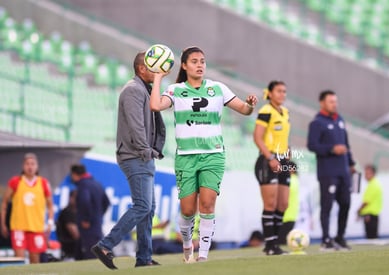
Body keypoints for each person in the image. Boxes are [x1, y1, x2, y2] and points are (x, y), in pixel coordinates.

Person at [150, 46, 257, 262]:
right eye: (195, 61)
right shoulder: (175, 90)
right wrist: (158, 77)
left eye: (202, 61)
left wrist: (250, 105)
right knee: (187, 210)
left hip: (213, 156)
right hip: (186, 157)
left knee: (207, 205)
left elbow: (244, 110)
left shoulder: (218, 88)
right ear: (184, 65)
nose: (200, 65)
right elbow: (155, 105)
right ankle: (188, 247)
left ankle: (203, 256)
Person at [91, 51, 166, 269]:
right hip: (136, 155)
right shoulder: (134, 90)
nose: (157, 70)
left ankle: (143, 258)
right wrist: (146, 150)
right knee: (143, 206)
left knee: (148, 208)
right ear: (142, 69)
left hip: (140, 154)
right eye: (153, 66)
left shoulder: (143, 88)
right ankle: (105, 245)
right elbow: (136, 125)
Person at [307, 90, 355, 251]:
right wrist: (332, 149)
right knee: (326, 206)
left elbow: (346, 144)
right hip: (328, 172)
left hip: (344, 171)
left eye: (335, 101)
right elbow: (312, 145)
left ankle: (340, 237)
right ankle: (326, 239)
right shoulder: (317, 123)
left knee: (346, 204)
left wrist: (351, 163)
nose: (335, 104)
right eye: (331, 101)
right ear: (322, 103)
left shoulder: (340, 120)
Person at [253, 80, 291, 255]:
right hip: (268, 162)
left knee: (283, 204)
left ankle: (275, 242)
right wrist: (271, 158)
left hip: (283, 161)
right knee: (270, 203)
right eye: (279, 91)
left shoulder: (285, 112)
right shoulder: (266, 111)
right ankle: (269, 245)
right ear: (270, 93)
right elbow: (258, 137)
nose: (282, 94)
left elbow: (282, 137)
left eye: (284, 91)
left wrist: (287, 151)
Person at [0, 153, 54, 264]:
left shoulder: (43, 183)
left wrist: (50, 222)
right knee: (19, 261)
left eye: (33, 164)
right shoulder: (15, 182)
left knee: (35, 263)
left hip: (36, 228)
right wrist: (3, 224)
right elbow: (4, 203)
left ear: (37, 166)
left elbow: (50, 205)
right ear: (23, 166)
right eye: (27, 164)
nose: (30, 167)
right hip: (18, 227)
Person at [70, 164, 109, 260]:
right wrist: (98, 215)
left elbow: (84, 201)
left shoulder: (83, 185)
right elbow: (107, 202)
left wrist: (86, 219)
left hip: (88, 225)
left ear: (75, 174)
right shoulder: (97, 184)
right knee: (93, 247)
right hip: (96, 223)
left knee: (91, 252)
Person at [357, 165, 383, 239]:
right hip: (371, 215)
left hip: (371, 215)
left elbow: (366, 202)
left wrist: (359, 210)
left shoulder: (373, 185)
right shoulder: (373, 184)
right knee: (371, 236)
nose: (365, 175)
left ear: (373, 174)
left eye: (367, 173)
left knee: (371, 237)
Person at [277, 161, 300, 245]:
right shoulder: (295, 180)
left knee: (280, 242)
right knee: (283, 242)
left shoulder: (290, 180)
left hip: (286, 216)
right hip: (291, 216)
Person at [56, 190, 79, 260]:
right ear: (71, 198)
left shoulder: (79, 213)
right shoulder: (67, 212)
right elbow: (76, 235)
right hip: (70, 244)